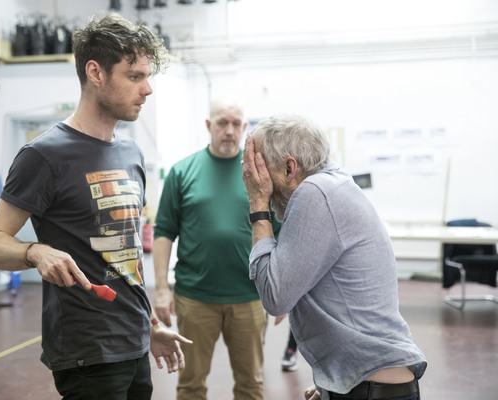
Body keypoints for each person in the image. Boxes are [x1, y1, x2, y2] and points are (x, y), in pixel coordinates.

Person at [0, 13, 191, 400]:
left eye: (147, 76)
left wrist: (149, 324)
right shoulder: (44, 155)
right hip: (88, 354)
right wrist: (33, 251)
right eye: (135, 76)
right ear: (96, 72)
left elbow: (126, 260)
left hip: (136, 342)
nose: (148, 89)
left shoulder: (131, 152)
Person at [241, 114, 427, 400]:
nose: (255, 178)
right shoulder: (335, 183)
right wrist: (335, 384)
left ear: (290, 167)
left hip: (371, 389)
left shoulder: (315, 192)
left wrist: (258, 203)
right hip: (368, 384)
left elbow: (275, 298)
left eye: (261, 167)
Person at [153, 96, 274, 400]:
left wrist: (283, 291)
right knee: (190, 385)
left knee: (251, 386)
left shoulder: (260, 175)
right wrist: (162, 290)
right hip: (195, 298)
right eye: (222, 123)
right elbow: (164, 232)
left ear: (245, 127)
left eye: (236, 123)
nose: (229, 130)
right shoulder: (182, 172)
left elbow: (281, 234)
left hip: (250, 297)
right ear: (209, 125)